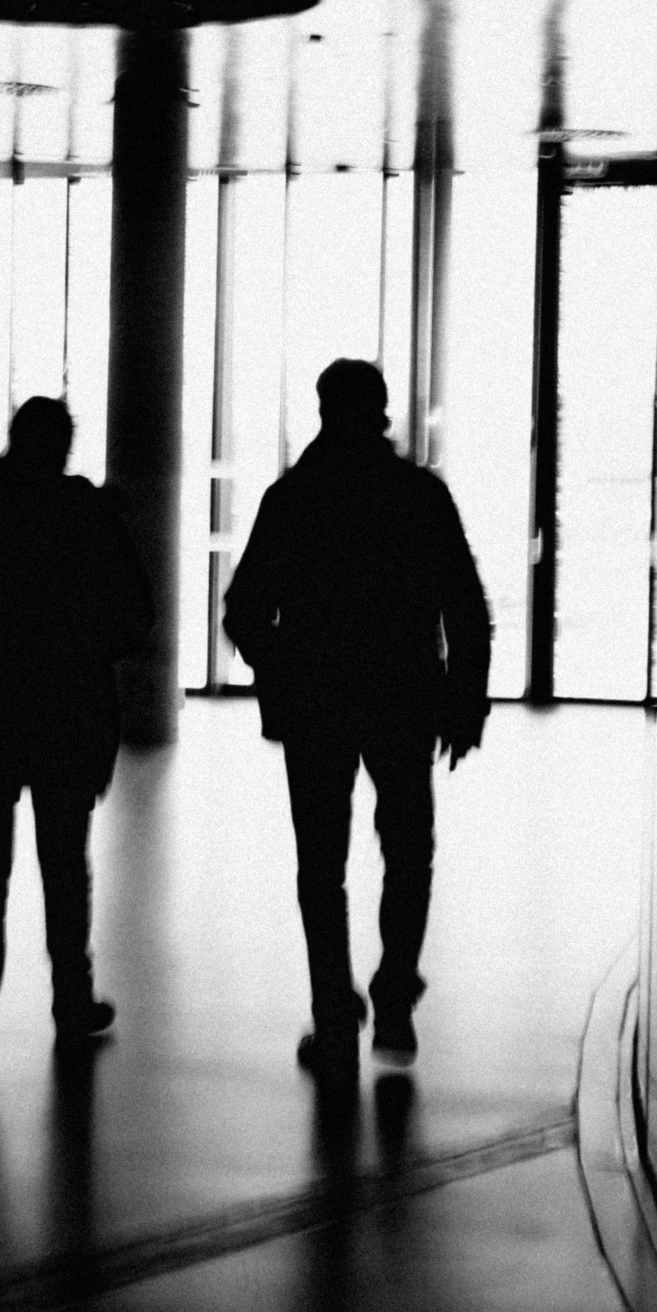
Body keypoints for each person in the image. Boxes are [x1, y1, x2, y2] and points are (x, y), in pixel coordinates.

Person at [222, 359, 492, 1075]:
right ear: (381, 411)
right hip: (404, 697)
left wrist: (281, 665)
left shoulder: (294, 498)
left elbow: (243, 608)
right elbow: (464, 604)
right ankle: (395, 995)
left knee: (322, 865)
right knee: (408, 849)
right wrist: (465, 697)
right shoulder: (419, 495)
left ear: (321, 410)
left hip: (316, 702)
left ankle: (334, 1012)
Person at [0, 397, 152, 1070]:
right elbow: (135, 615)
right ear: (64, 446)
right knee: (64, 865)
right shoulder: (87, 514)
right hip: (66, 709)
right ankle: (71, 1000)